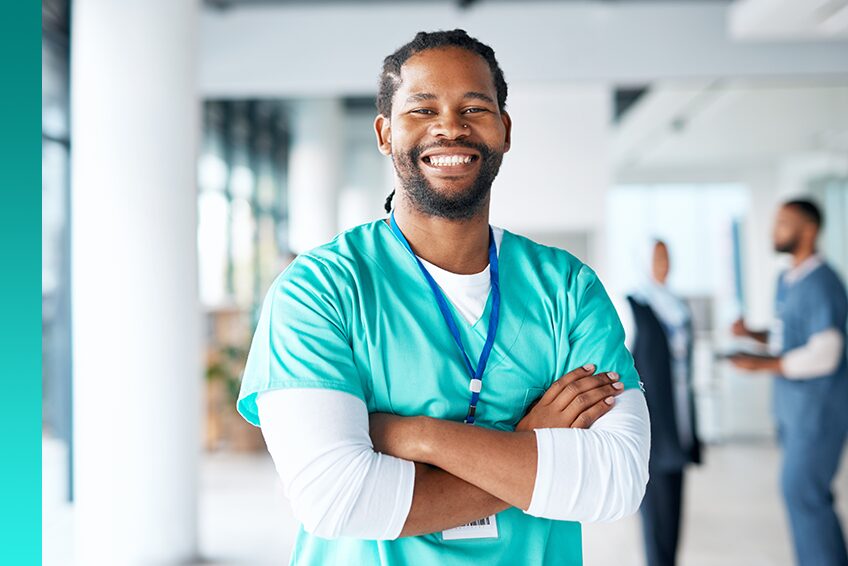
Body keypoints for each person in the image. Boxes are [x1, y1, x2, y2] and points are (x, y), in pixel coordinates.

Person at [237, 29, 650, 565]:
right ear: (386, 134)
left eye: (474, 108)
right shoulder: (320, 290)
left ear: (503, 130)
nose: (450, 127)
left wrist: (418, 437)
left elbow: (614, 481)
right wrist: (530, 446)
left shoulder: (567, 288)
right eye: (422, 109)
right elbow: (336, 498)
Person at [730, 199, 848, 566]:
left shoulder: (824, 282)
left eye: (784, 223)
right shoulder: (787, 279)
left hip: (818, 412)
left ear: (809, 230)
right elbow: (790, 337)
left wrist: (763, 366)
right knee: (805, 495)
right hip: (792, 411)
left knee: (802, 493)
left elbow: (825, 352)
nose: (774, 231)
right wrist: (754, 335)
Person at [626, 240, 702, 566]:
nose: (664, 263)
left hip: (680, 420)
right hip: (653, 425)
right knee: (656, 515)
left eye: (668, 255)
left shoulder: (678, 307)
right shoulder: (634, 306)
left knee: (675, 510)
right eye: (657, 256)